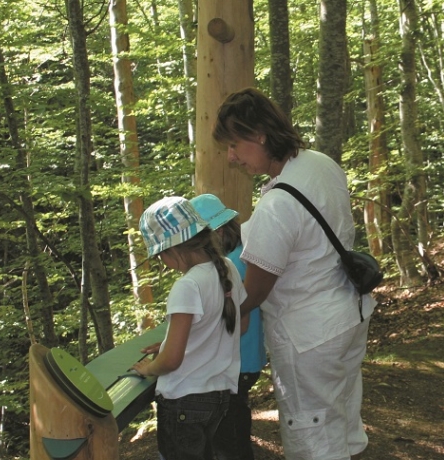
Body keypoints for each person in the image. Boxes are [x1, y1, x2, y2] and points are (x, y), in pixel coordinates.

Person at [213, 87, 376, 460]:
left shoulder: (277, 205)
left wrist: (201, 319)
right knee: (343, 423)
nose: (232, 157)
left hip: (308, 338)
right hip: (348, 314)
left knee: (313, 437)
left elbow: (252, 294)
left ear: (260, 136)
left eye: (235, 145)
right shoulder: (319, 163)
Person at [132, 196, 244, 460]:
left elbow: (171, 361)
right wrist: (170, 342)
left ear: (174, 250)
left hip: (183, 400)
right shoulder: (227, 269)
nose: (162, 262)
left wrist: (148, 368)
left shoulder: (187, 286)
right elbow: (229, 326)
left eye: (160, 255)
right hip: (218, 396)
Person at [190, 193, 267, 460]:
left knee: (229, 436)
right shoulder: (240, 255)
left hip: (237, 362)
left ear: (219, 230)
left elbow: (236, 321)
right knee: (233, 427)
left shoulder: (231, 264)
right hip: (246, 359)